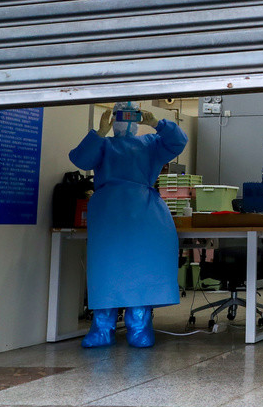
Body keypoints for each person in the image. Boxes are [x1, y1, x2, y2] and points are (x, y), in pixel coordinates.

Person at [68, 102, 187, 348]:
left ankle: (139, 326)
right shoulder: (103, 145)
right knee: (105, 270)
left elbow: (178, 141)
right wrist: (99, 133)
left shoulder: (151, 143)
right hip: (109, 217)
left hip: (143, 216)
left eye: (130, 114)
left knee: (141, 270)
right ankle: (102, 327)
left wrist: (156, 123)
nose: (125, 119)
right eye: (120, 114)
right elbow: (79, 159)